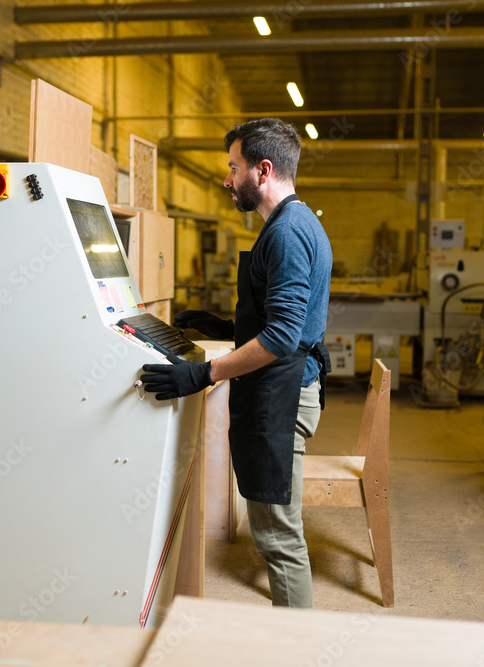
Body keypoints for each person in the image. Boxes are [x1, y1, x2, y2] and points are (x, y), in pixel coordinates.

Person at [139, 118, 332, 608]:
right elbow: (282, 315)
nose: (227, 179)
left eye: (234, 166)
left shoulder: (286, 233)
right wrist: (224, 324)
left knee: (280, 542)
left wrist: (204, 373)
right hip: (282, 391)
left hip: (282, 399)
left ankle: (296, 651)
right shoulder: (298, 222)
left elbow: (284, 335)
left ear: (262, 171)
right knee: (278, 538)